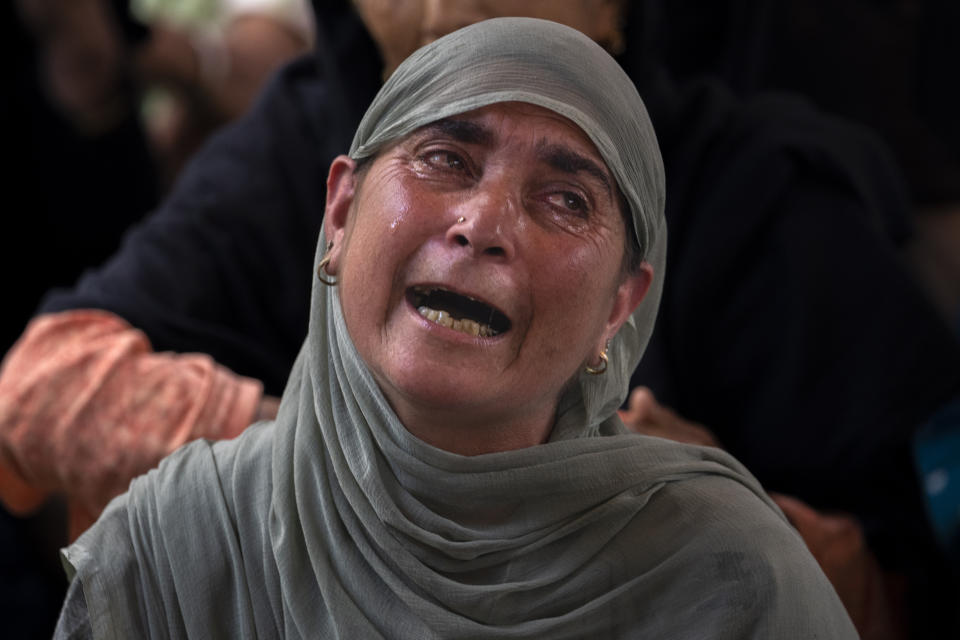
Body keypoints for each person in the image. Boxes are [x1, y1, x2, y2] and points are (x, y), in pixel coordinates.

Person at [2, 0, 957, 634]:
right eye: (443, 158)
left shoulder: (763, 204)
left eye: (567, 199)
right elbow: (37, 386)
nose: (481, 223)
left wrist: (619, 509)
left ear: (628, 299)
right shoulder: (168, 548)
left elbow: (911, 577)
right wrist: (368, 467)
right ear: (340, 210)